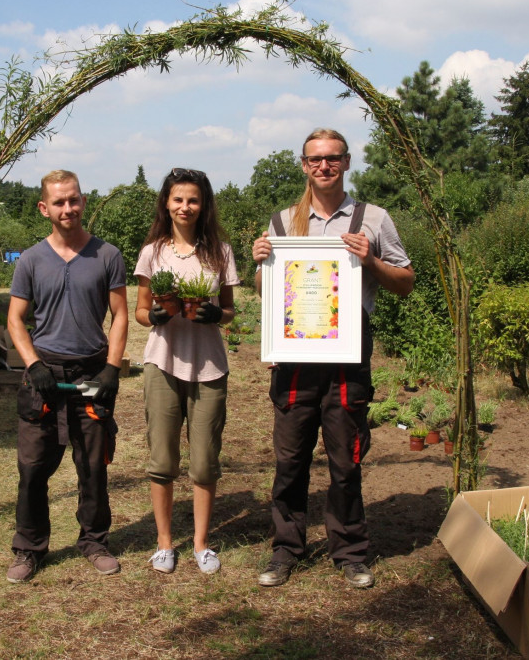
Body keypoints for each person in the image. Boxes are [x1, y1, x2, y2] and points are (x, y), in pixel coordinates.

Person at [251, 128, 414, 588]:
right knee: (290, 459)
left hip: (347, 357)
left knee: (346, 459)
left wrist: (373, 262)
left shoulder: (372, 219)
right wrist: (262, 262)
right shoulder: (283, 222)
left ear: (346, 162)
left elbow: (405, 281)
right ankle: (286, 550)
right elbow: (269, 293)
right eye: (315, 159)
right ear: (303, 165)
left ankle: (350, 552)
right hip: (296, 358)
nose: (324, 166)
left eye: (333, 158)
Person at [5, 169, 129, 583]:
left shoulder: (107, 255)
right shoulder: (30, 260)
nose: (68, 208)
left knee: (93, 466)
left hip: (90, 375)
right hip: (44, 378)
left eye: (73, 200)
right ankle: (29, 548)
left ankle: (94, 541)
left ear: (84, 201)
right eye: (58, 202)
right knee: (33, 469)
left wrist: (112, 368)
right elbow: (16, 320)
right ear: (44, 208)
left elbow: (121, 316)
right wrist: (33, 364)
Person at [133, 168, 239, 575]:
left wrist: (218, 313)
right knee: (162, 458)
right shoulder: (152, 252)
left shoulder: (220, 252)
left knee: (205, 461)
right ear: (166, 203)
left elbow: (229, 309)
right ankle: (164, 543)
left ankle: (200, 544)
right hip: (162, 363)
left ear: (203, 205)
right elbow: (143, 309)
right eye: (178, 199)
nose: (185, 207)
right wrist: (153, 316)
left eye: (193, 200)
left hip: (209, 366)